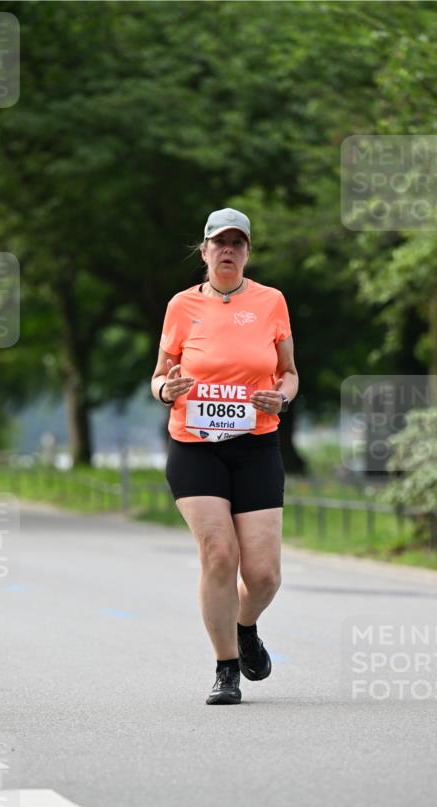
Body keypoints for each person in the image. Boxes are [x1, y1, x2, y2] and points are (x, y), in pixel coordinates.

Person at [151, 208, 298, 705]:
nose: (228, 250)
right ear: (205, 249)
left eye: (238, 243)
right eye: (220, 242)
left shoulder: (271, 302)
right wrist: (166, 389)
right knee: (219, 553)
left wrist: (284, 396)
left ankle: (245, 626)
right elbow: (160, 375)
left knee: (262, 575)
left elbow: (289, 372)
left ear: (248, 251)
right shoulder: (181, 306)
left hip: (256, 444)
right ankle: (225, 667)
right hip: (195, 445)